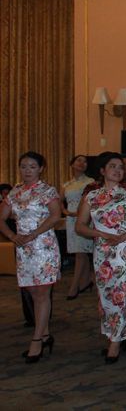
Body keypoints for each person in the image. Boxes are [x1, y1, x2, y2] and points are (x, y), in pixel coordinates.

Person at [75, 152, 126, 364]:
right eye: (112, 166)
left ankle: (116, 341)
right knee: (105, 294)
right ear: (102, 171)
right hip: (101, 249)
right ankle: (115, 334)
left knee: (122, 293)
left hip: (123, 250)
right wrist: (100, 233)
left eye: (120, 167)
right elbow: (80, 226)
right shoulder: (91, 196)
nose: (118, 170)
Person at [0, 152, 62, 363]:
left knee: (42, 292)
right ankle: (45, 335)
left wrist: (34, 234)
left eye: (32, 166)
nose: (27, 170)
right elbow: (1, 218)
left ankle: (36, 340)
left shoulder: (47, 190)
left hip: (44, 246)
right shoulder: (15, 192)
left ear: (41, 169)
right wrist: (12, 236)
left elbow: (56, 216)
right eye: (24, 166)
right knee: (33, 292)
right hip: (23, 248)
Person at [61, 154, 95, 300]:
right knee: (80, 251)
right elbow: (59, 201)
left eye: (85, 161)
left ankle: (74, 286)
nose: (82, 163)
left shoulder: (90, 182)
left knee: (81, 252)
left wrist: (81, 212)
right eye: (79, 160)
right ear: (72, 164)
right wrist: (65, 211)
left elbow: (93, 200)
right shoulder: (66, 184)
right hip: (71, 219)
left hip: (84, 218)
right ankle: (86, 281)